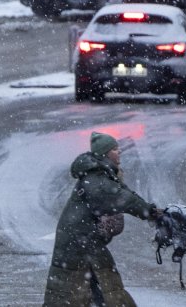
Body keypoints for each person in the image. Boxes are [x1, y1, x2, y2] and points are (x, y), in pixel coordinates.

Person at [43, 131, 159, 307]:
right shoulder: (96, 178)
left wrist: (149, 210)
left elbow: (123, 194)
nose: (118, 152)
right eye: (114, 149)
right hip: (79, 241)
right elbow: (122, 198)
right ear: (105, 154)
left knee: (90, 286)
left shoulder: (100, 174)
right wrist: (149, 211)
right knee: (96, 285)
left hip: (81, 240)